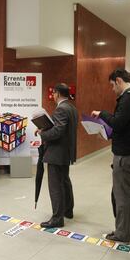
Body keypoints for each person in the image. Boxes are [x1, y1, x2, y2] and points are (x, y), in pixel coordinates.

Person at [91, 68, 130, 244]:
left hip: (127, 154)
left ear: (118, 81)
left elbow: (118, 122)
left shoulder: (128, 98)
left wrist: (102, 114)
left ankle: (122, 233)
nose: (112, 89)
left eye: (112, 85)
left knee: (122, 193)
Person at [37, 83, 78, 228]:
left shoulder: (61, 109)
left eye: (53, 93)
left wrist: (43, 133)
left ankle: (57, 218)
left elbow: (58, 131)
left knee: (55, 186)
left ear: (58, 94)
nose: (52, 96)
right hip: (66, 152)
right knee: (65, 182)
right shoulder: (72, 107)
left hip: (56, 153)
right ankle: (68, 210)